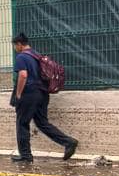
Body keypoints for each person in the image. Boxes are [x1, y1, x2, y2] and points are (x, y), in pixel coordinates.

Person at [10, 33, 78, 163]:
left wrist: (18, 94)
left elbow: (23, 75)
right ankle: (68, 142)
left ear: (19, 44)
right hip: (42, 94)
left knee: (22, 123)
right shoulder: (36, 55)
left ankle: (25, 156)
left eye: (15, 45)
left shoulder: (22, 57)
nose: (15, 48)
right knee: (42, 123)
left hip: (29, 93)